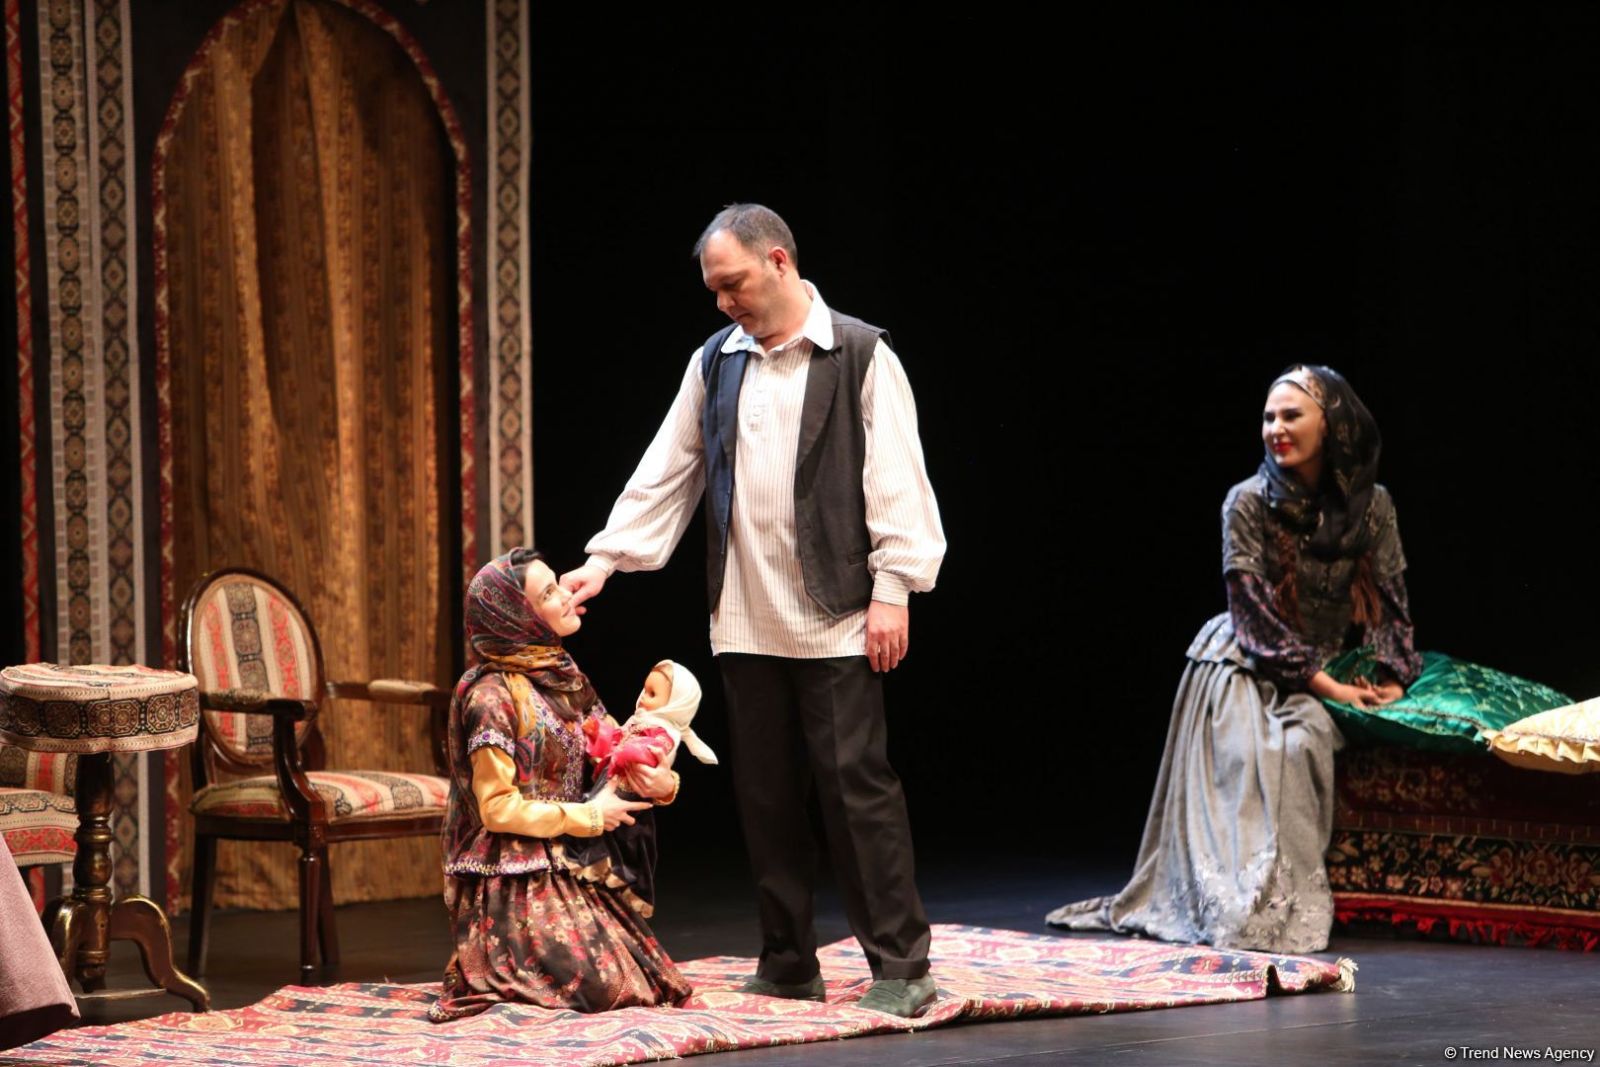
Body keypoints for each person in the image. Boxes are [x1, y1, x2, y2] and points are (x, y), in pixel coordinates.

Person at [560, 204, 946, 1017]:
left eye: (733, 283)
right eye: (713, 289)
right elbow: (669, 466)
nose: (723, 301)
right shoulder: (716, 361)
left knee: (856, 792)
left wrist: (894, 588)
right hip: (744, 615)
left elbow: (896, 475)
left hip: (837, 615)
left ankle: (902, 963)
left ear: (778, 261)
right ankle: (788, 959)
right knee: (766, 798)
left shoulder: (859, 353)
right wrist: (604, 559)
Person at [1048, 364, 1422, 954]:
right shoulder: (1245, 502)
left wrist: (1393, 676)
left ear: (1331, 425)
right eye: (1268, 417)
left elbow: (1391, 601)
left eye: (1291, 415)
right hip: (1245, 663)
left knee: (1310, 740)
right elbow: (1253, 618)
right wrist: (1331, 688)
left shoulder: (1372, 505)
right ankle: (1255, 909)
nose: (1276, 428)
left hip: (1326, 662)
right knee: (1277, 752)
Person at [429, 549, 692, 1021]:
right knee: (604, 989)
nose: (567, 596)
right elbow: (497, 810)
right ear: (518, 616)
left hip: (568, 855)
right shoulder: (491, 696)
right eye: (549, 593)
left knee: (650, 981)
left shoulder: (564, 676)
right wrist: (590, 816)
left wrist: (661, 782)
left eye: (558, 585)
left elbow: (616, 749)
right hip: (512, 867)